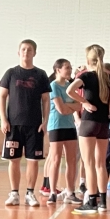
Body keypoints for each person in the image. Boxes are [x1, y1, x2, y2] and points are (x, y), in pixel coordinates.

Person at [67, 44, 110, 214]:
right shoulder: (108, 77)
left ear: (88, 60)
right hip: (104, 124)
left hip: (89, 122)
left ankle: (92, 201)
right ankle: (102, 202)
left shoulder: (86, 76)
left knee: (89, 164)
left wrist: (84, 103)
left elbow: (69, 90)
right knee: (101, 164)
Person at [0, 40, 51, 207]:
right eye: (23, 49)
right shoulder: (11, 73)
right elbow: (2, 96)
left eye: (29, 50)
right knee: (13, 160)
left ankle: (30, 193)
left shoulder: (40, 74)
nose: (26, 52)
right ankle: (14, 193)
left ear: (34, 53)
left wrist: (45, 121)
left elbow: (46, 100)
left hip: (34, 125)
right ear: (18, 52)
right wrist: (3, 119)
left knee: (33, 160)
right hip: (13, 125)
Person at [45, 58, 80, 204]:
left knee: (72, 160)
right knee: (56, 159)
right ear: (58, 70)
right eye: (67, 68)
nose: (70, 70)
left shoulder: (70, 87)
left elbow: (79, 105)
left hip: (70, 126)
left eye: (71, 67)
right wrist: (70, 106)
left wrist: (68, 106)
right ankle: (53, 192)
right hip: (56, 126)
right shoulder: (53, 86)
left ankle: (70, 192)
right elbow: (61, 109)